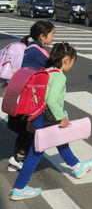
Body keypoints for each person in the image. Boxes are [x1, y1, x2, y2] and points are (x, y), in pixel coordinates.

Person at [10, 43, 92, 201]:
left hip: (38, 116)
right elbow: (51, 100)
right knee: (35, 153)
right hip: (46, 116)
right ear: (66, 60)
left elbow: (37, 98)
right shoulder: (59, 76)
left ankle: (77, 167)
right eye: (72, 62)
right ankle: (19, 188)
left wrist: (32, 120)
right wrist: (62, 117)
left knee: (61, 140)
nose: (72, 65)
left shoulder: (45, 72)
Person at [7, 20, 55, 173]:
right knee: (29, 128)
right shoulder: (38, 52)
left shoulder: (29, 48)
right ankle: (19, 159)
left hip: (19, 95)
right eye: (53, 34)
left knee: (25, 129)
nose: (54, 37)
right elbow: (53, 66)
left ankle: (17, 159)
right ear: (42, 36)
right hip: (29, 98)